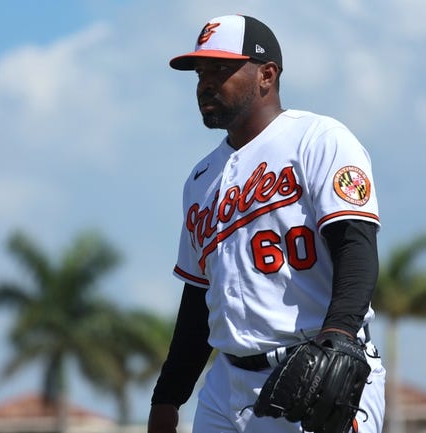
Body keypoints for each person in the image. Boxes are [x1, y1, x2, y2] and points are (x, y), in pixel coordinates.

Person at [148, 14, 386, 433]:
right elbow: (198, 299)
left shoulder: (318, 139)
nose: (205, 82)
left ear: (267, 75)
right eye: (201, 72)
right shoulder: (200, 180)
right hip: (226, 389)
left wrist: (341, 337)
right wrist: (168, 396)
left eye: (221, 69)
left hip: (313, 370)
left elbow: (355, 245)